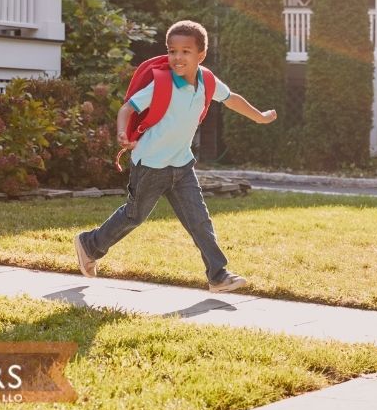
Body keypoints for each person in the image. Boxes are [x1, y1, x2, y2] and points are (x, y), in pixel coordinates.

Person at [74, 20, 276, 293]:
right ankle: (90, 244)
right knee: (134, 216)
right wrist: (122, 132)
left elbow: (232, 98)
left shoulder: (207, 81)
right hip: (150, 165)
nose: (177, 57)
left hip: (181, 164)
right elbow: (127, 109)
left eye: (186, 51)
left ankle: (218, 276)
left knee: (199, 220)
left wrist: (260, 117)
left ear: (201, 55)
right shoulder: (162, 84)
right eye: (172, 51)